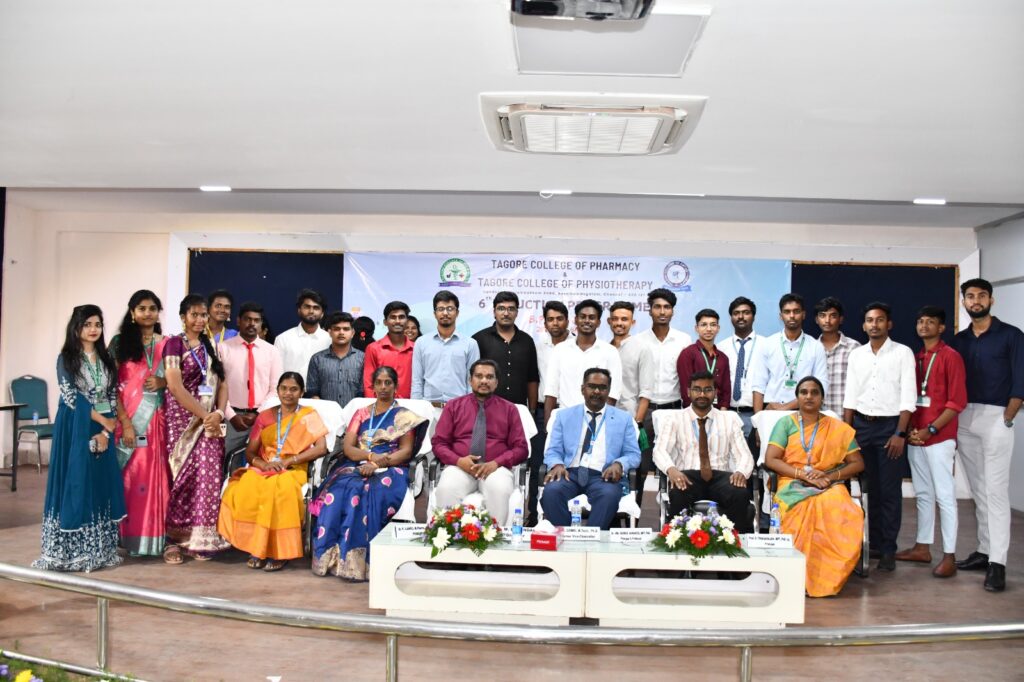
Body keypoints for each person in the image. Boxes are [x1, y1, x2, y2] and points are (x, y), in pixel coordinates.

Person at [311, 366, 427, 581]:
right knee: (337, 489)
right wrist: (370, 457)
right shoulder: (362, 413)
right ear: (372, 387)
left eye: (388, 383)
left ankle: (360, 563)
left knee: (365, 489)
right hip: (358, 462)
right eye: (379, 383)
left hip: (392, 467)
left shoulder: (404, 416)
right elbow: (348, 448)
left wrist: (379, 463)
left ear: (396, 386)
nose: (383, 387)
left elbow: (406, 451)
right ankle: (334, 559)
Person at [33, 305, 126, 572]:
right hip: (74, 426)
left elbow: (112, 395)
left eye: (97, 324)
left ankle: (100, 551)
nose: (93, 329)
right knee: (76, 480)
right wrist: (103, 422)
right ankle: (69, 553)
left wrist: (106, 431)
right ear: (76, 328)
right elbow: (72, 397)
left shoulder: (106, 358)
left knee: (99, 483)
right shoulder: (66, 359)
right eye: (87, 324)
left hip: (103, 425)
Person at [952, 278, 1024, 592]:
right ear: (964, 302)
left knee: (995, 491)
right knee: (979, 489)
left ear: (991, 300)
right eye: (970, 296)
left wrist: (1008, 415)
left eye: (982, 295)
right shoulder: (959, 341)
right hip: (965, 416)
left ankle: (998, 562)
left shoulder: (1012, 335)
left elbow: (1021, 378)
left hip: (997, 416)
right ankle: (984, 550)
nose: (976, 301)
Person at [763, 376, 865, 597]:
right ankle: (797, 578)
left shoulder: (838, 428)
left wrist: (830, 476)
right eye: (804, 392)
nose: (809, 396)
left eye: (814, 392)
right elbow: (771, 459)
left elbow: (858, 463)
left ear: (822, 398)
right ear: (797, 397)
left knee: (838, 507)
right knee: (801, 509)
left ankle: (827, 578)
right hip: (792, 481)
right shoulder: (785, 424)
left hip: (828, 482)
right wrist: (804, 475)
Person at [219, 373, 329, 572]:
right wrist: (263, 465)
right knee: (244, 486)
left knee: (280, 491)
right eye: (284, 388)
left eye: (294, 389)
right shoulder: (265, 416)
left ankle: (279, 552)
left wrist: (289, 460)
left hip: (293, 469)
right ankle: (257, 547)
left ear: (302, 392)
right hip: (266, 468)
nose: (288, 393)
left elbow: (321, 448)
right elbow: (250, 452)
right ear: (277, 391)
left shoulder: (309, 415)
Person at [842, 301, 916, 572]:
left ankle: (888, 549)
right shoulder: (857, 355)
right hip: (861, 427)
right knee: (866, 488)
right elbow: (850, 397)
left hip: (889, 429)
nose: (874, 324)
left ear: (889, 324)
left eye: (880, 319)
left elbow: (908, 397)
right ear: (864, 325)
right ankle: (871, 543)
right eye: (870, 320)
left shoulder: (902, 353)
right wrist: (848, 435)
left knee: (889, 491)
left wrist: (900, 433)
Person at [895, 306, 967, 578]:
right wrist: (913, 431)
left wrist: (931, 429)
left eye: (931, 322)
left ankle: (949, 556)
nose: (924, 326)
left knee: (945, 495)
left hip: (940, 438)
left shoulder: (951, 357)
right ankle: (922, 547)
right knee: (923, 493)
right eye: (921, 321)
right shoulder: (916, 358)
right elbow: (910, 399)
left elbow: (956, 402)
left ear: (942, 328)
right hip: (917, 437)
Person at [162, 294, 230, 564]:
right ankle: (173, 540)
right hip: (183, 422)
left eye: (203, 315)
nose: (200, 320)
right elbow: (174, 386)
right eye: (195, 315)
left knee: (208, 479)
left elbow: (223, 384)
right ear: (183, 317)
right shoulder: (173, 344)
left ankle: (201, 539)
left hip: (210, 424)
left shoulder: (210, 345)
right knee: (181, 479)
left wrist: (219, 413)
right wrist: (205, 415)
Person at [652, 371, 754, 532]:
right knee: (678, 493)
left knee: (740, 493)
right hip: (688, 476)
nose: (702, 394)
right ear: (688, 392)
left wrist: (741, 472)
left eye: (707, 390)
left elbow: (745, 455)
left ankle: (736, 541)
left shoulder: (729, 419)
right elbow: (659, 450)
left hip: (721, 476)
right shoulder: (674, 419)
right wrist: (671, 470)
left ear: (715, 392)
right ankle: (676, 540)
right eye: (697, 389)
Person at [542, 368, 641, 530]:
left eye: (602, 387)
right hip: (570, 473)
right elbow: (553, 450)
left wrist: (619, 464)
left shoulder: (624, 419)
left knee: (609, 495)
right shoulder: (564, 416)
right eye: (591, 386)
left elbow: (633, 454)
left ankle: (591, 539)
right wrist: (557, 464)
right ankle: (565, 537)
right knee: (551, 492)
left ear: (608, 391)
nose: (596, 391)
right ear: (583, 389)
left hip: (603, 475)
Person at [110, 290, 169, 557]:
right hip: (128, 421)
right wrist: (125, 422)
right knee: (129, 479)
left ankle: (152, 540)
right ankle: (125, 537)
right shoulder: (119, 344)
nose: (147, 313)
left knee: (155, 480)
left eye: (152, 308)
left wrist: (163, 381)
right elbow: (109, 386)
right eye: (142, 308)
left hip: (157, 422)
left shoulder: (167, 344)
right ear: (132, 312)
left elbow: (180, 381)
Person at [432, 360, 529, 516]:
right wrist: (459, 461)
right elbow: (439, 443)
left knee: (500, 489)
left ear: (496, 383)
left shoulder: (509, 409)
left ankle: (495, 531)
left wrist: (496, 463)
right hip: (459, 467)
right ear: (470, 380)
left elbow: (521, 448)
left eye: (489, 377)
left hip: (495, 469)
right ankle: (448, 531)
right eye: (479, 376)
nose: (484, 381)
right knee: (446, 489)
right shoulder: (453, 406)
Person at [633, 288, 692, 506]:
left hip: (673, 411)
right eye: (657, 307)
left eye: (667, 307)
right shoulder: (638, 341)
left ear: (673, 311)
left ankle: (674, 516)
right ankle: (634, 514)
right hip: (645, 412)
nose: (662, 311)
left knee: (675, 464)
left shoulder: (684, 340)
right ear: (649, 310)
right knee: (640, 465)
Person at [219, 302, 283, 466]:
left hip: (263, 417)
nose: (252, 324)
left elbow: (276, 389)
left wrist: (258, 414)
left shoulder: (272, 351)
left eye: (256, 320)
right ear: (238, 321)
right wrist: (231, 416)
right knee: (227, 464)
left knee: (263, 465)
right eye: (247, 319)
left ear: (261, 323)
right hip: (231, 419)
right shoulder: (223, 349)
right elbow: (218, 388)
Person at [543, 299, 622, 425]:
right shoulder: (560, 350)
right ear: (575, 320)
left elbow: (612, 394)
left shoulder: (610, 352)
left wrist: (600, 424)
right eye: (582, 317)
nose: (587, 320)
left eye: (592, 317)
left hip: (597, 422)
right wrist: (548, 427)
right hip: (565, 420)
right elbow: (551, 391)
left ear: (598, 322)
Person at [751, 293, 828, 413]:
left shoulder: (815, 347)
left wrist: (785, 407)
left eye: (796, 311)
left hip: (803, 411)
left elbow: (821, 386)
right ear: (781, 316)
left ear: (803, 314)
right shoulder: (767, 344)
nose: (792, 316)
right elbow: (758, 385)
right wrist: (758, 419)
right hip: (771, 410)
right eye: (787, 312)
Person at [532, 300, 573, 525]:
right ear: (545, 322)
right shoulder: (538, 347)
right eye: (550, 319)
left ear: (567, 320)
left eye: (559, 319)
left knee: (569, 465)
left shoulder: (578, 346)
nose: (555, 323)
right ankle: (534, 515)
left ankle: (568, 518)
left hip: (570, 413)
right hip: (543, 412)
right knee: (538, 464)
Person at [472, 291, 539, 411]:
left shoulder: (527, 341)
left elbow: (532, 379)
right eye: (501, 308)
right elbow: (471, 377)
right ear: (494, 312)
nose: (506, 313)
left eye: (511, 309)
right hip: (485, 410)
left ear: (517, 313)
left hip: (519, 410)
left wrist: (532, 412)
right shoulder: (479, 339)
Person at [412, 291, 480, 407]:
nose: (445, 313)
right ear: (434, 314)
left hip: (459, 407)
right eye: (441, 309)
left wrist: (470, 408)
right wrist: (416, 408)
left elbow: (472, 381)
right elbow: (417, 381)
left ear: (457, 313)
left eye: (450, 309)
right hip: (429, 408)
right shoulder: (421, 343)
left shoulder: (470, 344)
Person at [306, 311, 365, 408]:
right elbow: (312, 391)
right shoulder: (317, 359)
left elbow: (362, 391)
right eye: (337, 329)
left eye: (346, 329)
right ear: (329, 332)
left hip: (355, 414)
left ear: (352, 333)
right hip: (325, 414)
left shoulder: (363, 358)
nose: (341, 332)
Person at [676, 309, 732, 409]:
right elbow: (686, 389)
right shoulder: (687, 354)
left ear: (718, 328)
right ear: (696, 328)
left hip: (718, 412)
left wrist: (723, 411)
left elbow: (726, 390)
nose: (709, 329)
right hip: (694, 412)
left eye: (713, 325)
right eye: (704, 325)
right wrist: (697, 414)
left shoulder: (723, 358)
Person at [720, 296, 758, 440]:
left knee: (755, 454)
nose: (741, 317)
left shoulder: (766, 346)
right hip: (728, 414)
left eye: (746, 312)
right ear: (731, 318)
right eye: (736, 313)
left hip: (756, 415)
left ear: (753, 316)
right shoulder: (721, 347)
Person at [815, 297, 860, 415]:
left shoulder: (854, 348)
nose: (827, 320)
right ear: (816, 320)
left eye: (833, 316)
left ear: (841, 319)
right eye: (822, 315)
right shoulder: (811, 348)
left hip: (846, 416)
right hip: (817, 416)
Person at [274, 288, 330, 380]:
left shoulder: (330, 340)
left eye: (316, 308)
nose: (311, 311)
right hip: (290, 389)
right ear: (299, 310)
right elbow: (276, 374)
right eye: (307, 307)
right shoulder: (283, 339)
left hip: (322, 389)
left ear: (322, 313)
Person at [363, 301, 415, 399]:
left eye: (401, 317)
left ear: (407, 321)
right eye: (393, 317)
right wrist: (374, 406)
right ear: (385, 322)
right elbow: (369, 383)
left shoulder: (416, 349)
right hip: (382, 404)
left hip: (411, 404)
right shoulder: (373, 348)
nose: (397, 321)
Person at [608, 301, 644, 419]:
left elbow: (646, 392)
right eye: (615, 319)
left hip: (630, 415)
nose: (619, 323)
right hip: (604, 414)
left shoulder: (642, 348)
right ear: (609, 321)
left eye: (624, 319)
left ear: (632, 322)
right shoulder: (604, 349)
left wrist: (638, 422)